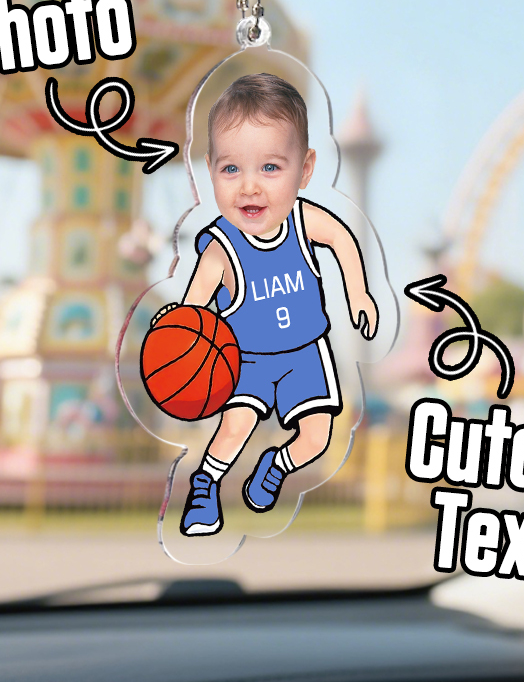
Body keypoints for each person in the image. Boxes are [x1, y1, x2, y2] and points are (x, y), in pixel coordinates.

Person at [154, 73, 378, 537]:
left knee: (316, 438)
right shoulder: (222, 247)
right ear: (209, 168)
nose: (250, 187)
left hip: (305, 354)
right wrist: (173, 330)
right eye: (231, 170)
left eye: (270, 168)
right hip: (247, 358)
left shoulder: (304, 220)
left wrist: (359, 292)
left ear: (306, 169)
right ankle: (205, 487)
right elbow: (193, 312)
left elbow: (342, 237)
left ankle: (276, 464)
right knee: (234, 429)